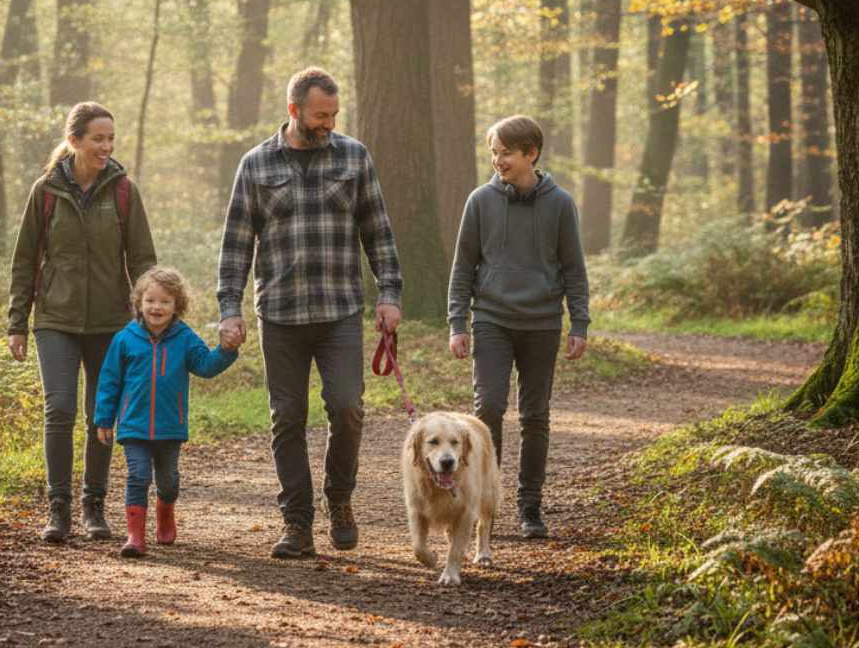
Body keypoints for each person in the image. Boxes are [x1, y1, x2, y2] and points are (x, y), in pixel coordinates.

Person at [217, 67, 403, 559]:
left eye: (334, 115)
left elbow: (378, 233)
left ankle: (340, 500)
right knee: (287, 417)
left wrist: (389, 294)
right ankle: (296, 522)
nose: (329, 123)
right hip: (280, 312)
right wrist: (228, 309)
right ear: (294, 110)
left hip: (339, 309)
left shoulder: (354, 156)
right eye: (321, 115)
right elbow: (236, 245)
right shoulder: (255, 165)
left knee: (347, 407)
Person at [7, 102, 157, 543]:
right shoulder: (47, 192)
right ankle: (59, 509)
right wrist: (17, 321)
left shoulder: (124, 191)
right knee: (60, 409)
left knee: (101, 415)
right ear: (74, 141)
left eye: (110, 139)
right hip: (55, 317)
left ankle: (93, 505)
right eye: (98, 139)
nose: (106, 147)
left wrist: (149, 318)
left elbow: (144, 260)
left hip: (112, 321)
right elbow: (24, 260)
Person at [446, 115, 590, 539]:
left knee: (535, 416)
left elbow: (574, 269)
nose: (498, 160)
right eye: (493, 152)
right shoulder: (480, 201)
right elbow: (462, 268)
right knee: (487, 409)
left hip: (543, 322)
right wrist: (458, 323)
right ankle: (484, 501)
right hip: (491, 318)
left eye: (506, 153)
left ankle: (530, 507)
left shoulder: (560, 204)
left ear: (531, 154)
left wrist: (579, 322)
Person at [94, 267, 238, 557]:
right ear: (139, 302)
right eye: (150, 300)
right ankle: (135, 537)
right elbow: (109, 381)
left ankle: (165, 515)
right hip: (133, 426)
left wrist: (226, 350)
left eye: (164, 302)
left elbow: (206, 366)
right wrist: (103, 418)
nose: (156, 307)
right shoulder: (125, 339)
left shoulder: (185, 338)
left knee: (168, 480)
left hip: (171, 426)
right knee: (138, 475)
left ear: (177, 306)